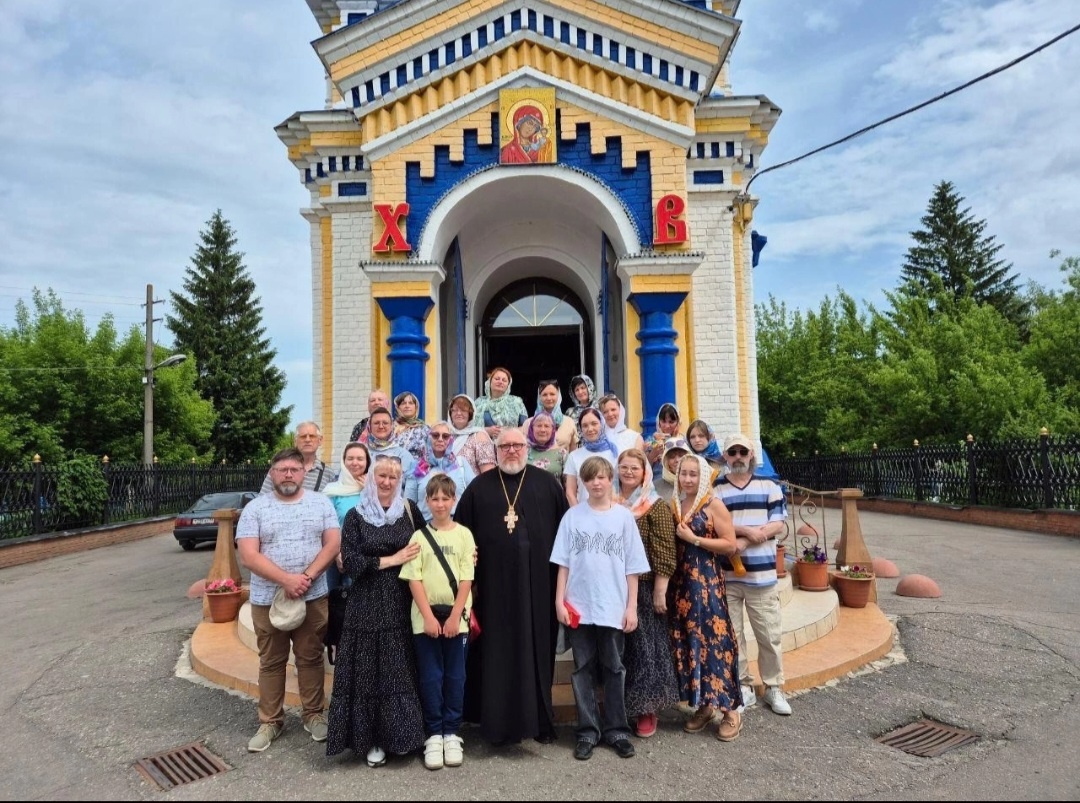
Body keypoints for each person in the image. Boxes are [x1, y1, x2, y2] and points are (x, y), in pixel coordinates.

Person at [453, 428, 569, 745]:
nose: (512, 451)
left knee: (537, 652)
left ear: (527, 448)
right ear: (496, 449)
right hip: (492, 592)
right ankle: (494, 723)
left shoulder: (548, 485)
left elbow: (565, 537)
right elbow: (460, 535)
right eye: (505, 445)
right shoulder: (478, 489)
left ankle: (540, 720)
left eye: (518, 445)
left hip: (539, 589)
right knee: (495, 655)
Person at [237, 447, 341, 752]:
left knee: (310, 658)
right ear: (272, 473)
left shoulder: (320, 503)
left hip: (313, 596)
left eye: (294, 470)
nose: (288, 475)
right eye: (281, 470)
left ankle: (314, 715)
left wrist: (306, 578)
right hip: (268, 599)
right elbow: (248, 555)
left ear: (303, 473)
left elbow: (333, 543)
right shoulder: (256, 508)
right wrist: (287, 580)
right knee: (271, 661)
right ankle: (270, 721)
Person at [326, 455, 426, 766]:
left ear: (399, 481)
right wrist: (392, 560)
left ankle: (401, 737)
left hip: (401, 599)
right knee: (368, 672)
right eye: (381, 475)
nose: (386, 482)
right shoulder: (356, 516)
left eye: (392, 477)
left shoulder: (408, 511)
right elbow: (351, 561)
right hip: (365, 603)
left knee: (398, 669)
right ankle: (372, 740)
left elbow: (430, 543)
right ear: (372, 478)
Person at [552, 456, 649, 761]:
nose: (596, 483)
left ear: (610, 480)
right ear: (583, 482)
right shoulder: (572, 518)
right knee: (582, 670)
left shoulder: (623, 518)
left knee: (614, 668)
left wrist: (631, 607)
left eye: (601, 478)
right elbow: (563, 564)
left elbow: (633, 568)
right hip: (580, 605)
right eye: (590, 478)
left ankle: (616, 729)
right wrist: (559, 601)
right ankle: (587, 731)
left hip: (613, 606)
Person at [399, 474, 476, 770]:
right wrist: (428, 617)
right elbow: (414, 578)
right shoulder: (419, 537)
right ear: (427, 501)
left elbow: (467, 576)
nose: (440, 503)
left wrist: (457, 614)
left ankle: (452, 732)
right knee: (431, 676)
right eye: (435, 498)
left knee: (455, 676)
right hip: (425, 618)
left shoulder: (464, 535)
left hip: (458, 618)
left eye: (446, 498)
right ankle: (433, 733)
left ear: (453, 500)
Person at [713, 433, 792, 716]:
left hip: (761, 576)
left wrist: (743, 540)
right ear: (725, 456)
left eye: (742, 452)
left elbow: (777, 524)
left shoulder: (768, 486)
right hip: (729, 575)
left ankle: (774, 687)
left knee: (768, 634)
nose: (737, 457)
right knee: (733, 636)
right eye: (732, 452)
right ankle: (742, 686)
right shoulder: (717, 490)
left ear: (751, 456)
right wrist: (746, 533)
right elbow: (716, 526)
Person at [668, 454, 744, 742]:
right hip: (682, 585)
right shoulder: (676, 503)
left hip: (707, 584)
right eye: (683, 474)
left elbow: (730, 545)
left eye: (692, 474)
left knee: (715, 641)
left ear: (702, 476)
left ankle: (731, 710)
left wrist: (695, 540)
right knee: (691, 642)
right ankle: (704, 704)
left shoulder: (713, 504)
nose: (687, 479)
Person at [614, 448, 679, 739]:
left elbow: (665, 550)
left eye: (634, 468)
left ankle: (647, 709)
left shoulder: (654, 506)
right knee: (619, 651)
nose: (628, 472)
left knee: (644, 649)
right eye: (623, 467)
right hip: (613, 587)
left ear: (644, 473)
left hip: (642, 587)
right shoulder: (610, 504)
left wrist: (659, 591)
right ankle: (620, 708)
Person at [321, 441, 370, 591]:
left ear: (367, 462)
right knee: (333, 605)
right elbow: (324, 526)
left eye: (360, 459)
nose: (355, 463)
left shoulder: (376, 489)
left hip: (364, 557)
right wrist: (337, 554)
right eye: (350, 458)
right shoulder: (332, 490)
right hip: (333, 556)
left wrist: (369, 490)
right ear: (343, 461)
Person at [405, 422, 475, 522]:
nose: (440, 439)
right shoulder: (417, 468)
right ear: (428, 437)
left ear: (451, 439)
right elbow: (408, 505)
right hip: (426, 530)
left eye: (445, 436)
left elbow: (474, 497)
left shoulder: (461, 464)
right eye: (435, 435)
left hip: (457, 528)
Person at [260, 421, 337, 493]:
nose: (307, 440)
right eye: (303, 436)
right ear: (295, 441)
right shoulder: (279, 469)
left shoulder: (328, 473)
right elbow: (262, 499)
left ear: (320, 440)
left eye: (312, 436)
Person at [563, 407, 619, 506]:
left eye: (594, 424)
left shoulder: (615, 452)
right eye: (584, 426)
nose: (590, 429)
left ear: (602, 424)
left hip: (612, 513)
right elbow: (570, 493)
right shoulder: (574, 456)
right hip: (583, 515)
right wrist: (579, 514)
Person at [472, 366, 528, 441]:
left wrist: (507, 432)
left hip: (510, 444)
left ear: (508, 385)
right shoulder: (479, 402)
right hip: (485, 445)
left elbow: (526, 427)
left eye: (504, 380)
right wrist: (486, 431)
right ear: (489, 382)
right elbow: (469, 428)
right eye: (497, 379)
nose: (500, 382)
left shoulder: (516, 402)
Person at [446, 394, 496, 476]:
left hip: (473, 488)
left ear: (470, 414)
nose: (459, 413)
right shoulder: (444, 435)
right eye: (455, 410)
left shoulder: (479, 436)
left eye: (463, 410)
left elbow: (489, 474)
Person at [362, 407, 416, 479]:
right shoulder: (361, 452)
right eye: (376, 423)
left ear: (391, 426)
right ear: (369, 427)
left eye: (385, 423)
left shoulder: (403, 455)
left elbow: (411, 483)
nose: (381, 426)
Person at [524, 380, 578, 452]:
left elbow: (573, 452)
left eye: (552, 394)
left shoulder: (569, 422)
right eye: (544, 395)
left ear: (559, 396)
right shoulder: (529, 423)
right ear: (539, 397)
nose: (549, 398)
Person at [526, 410, 568, 480]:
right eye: (539, 426)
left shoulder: (562, 454)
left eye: (547, 426)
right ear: (532, 429)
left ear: (553, 430)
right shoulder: (523, 452)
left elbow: (569, 483)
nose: (543, 430)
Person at [393, 390, 430, 463]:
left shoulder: (424, 428)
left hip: (417, 471)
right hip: (393, 470)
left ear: (416, 407)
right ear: (398, 407)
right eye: (403, 403)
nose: (407, 406)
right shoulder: (391, 427)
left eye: (410, 403)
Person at [644, 403, 682, 473]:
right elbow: (643, 467)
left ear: (678, 422)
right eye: (663, 421)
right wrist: (653, 453)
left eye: (671, 422)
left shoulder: (683, 440)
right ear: (659, 422)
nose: (667, 426)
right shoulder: (651, 441)